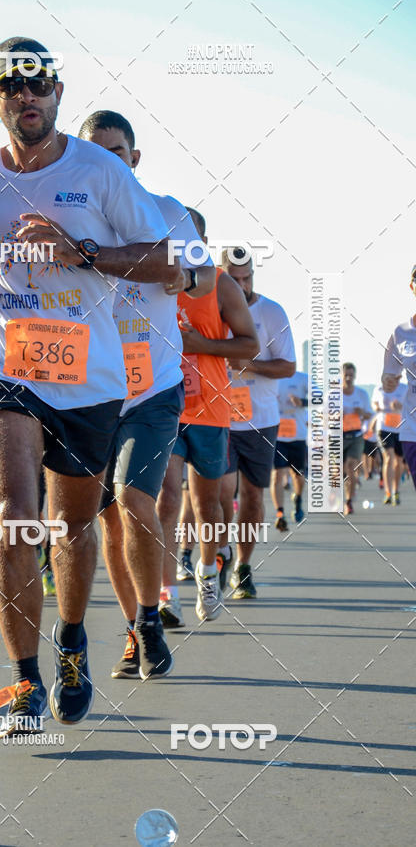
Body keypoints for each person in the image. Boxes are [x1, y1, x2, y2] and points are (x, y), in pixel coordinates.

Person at [0, 38, 179, 728]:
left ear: (58, 93)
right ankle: (24, 680)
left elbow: (165, 260)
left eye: (40, 84)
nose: (27, 95)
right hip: (6, 364)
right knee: (15, 518)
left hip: (89, 376)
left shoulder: (100, 171)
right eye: (13, 85)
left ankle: (71, 640)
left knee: (72, 528)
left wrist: (83, 252)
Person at [79, 111, 215, 679]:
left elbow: (207, 277)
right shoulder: (71, 217)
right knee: (110, 518)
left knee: (134, 498)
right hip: (91, 389)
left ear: (134, 158)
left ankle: (153, 616)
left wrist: (184, 278)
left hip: (154, 386)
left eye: (116, 152)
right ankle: (137, 630)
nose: (107, 162)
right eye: (95, 152)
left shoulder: (166, 211)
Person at [158, 226, 260, 626]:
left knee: (207, 503)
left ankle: (207, 572)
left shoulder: (221, 285)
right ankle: (166, 594)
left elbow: (249, 344)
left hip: (210, 409)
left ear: (201, 242)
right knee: (167, 498)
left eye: (189, 238)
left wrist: (203, 346)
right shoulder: (147, 279)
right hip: (161, 406)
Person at [220, 247, 296, 598]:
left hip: (260, 421)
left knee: (252, 496)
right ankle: (219, 553)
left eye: (247, 277)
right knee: (221, 493)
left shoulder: (271, 311)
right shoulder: (210, 308)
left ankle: (243, 566)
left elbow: (288, 366)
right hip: (218, 417)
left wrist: (248, 365)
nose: (242, 285)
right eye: (234, 279)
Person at [382, 265, 416, 492]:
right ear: (412, 287)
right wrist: (388, 380)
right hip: (413, 429)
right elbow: (389, 374)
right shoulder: (401, 332)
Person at [270, 371, 308, 530]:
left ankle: (298, 499)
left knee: (298, 476)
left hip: (297, 436)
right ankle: (280, 514)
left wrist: (302, 402)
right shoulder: (271, 377)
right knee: (277, 475)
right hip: (277, 436)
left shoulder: (303, 378)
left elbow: (320, 399)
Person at [341, 363, 372, 515]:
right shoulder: (333, 395)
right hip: (337, 437)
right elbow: (323, 417)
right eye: (346, 375)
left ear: (355, 376)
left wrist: (362, 413)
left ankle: (349, 501)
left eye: (351, 375)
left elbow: (369, 414)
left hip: (356, 436)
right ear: (341, 376)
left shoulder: (362, 394)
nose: (348, 378)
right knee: (338, 471)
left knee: (351, 467)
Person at [371, 381, 406, 505]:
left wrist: (401, 406)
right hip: (384, 428)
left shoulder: (404, 388)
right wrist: (376, 407)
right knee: (389, 458)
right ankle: (388, 493)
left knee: (399, 461)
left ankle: (395, 491)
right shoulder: (379, 388)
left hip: (401, 429)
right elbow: (374, 403)